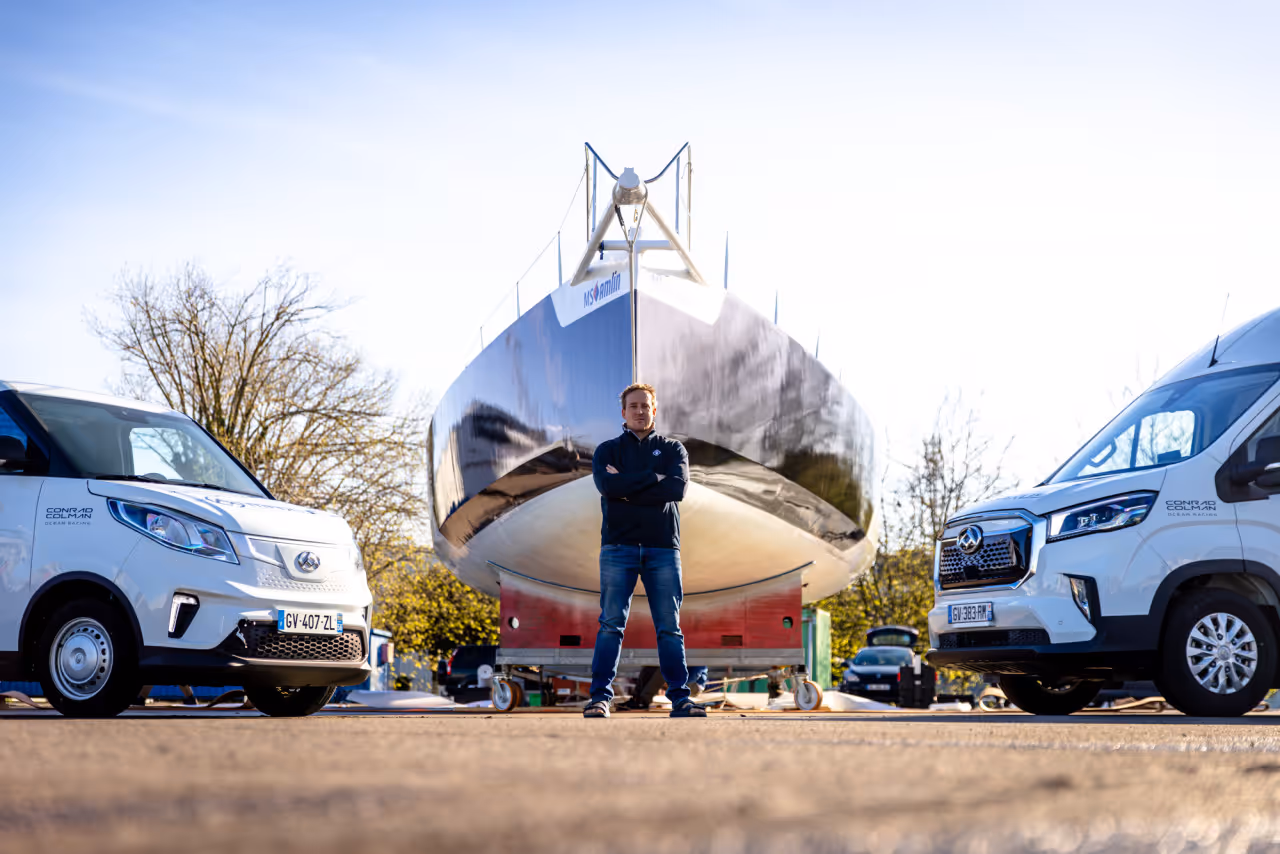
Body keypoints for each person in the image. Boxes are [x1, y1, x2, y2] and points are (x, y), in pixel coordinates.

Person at [583, 382, 705, 719]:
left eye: (645, 405)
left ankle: (680, 698)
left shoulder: (673, 450)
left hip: (663, 548)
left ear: (655, 410)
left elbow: (676, 489)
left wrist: (627, 484)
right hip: (618, 548)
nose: (639, 411)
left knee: (669, 627)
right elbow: (607, 486)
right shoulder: (606, 451)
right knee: (610, 624)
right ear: (623, 412)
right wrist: (654, 478)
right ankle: (599, 698)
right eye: (633, 406)